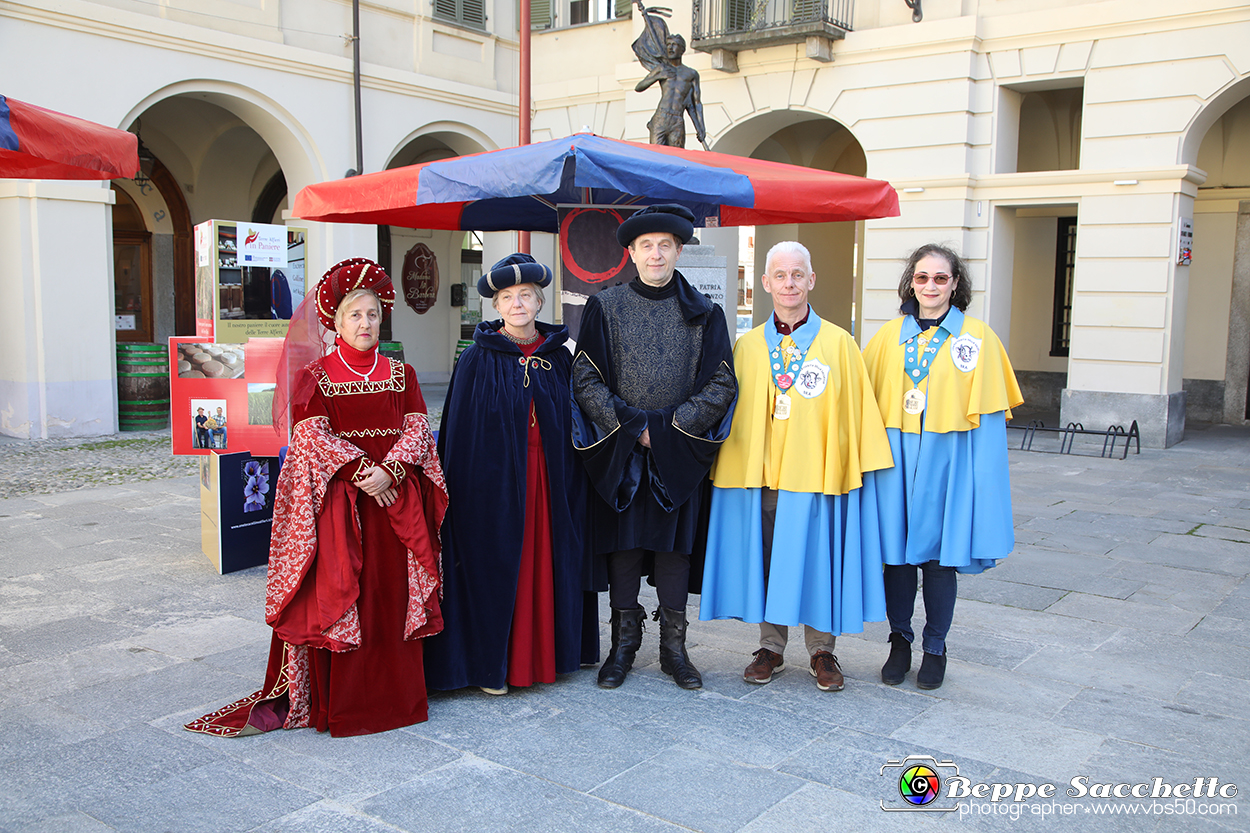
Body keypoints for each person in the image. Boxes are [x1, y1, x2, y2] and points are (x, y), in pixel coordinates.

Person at [185, 258, 448, 737]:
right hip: (343, 504)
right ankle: (346, 707)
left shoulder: (401, 373)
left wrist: (389, 471)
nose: (365, 324)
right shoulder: (317, 375)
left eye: (372, 314)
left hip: (393, 503)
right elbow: (311, 438)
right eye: (355, 316)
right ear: (337, 321)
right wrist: (362, 470)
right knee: (348, 594)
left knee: (390, 595)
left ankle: (399, 700)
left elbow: (417, 430)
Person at [701, 242, 893, 692]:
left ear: (811, 280)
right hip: (762, 474)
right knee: (769, 558)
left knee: (816, 558)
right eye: (780, 275)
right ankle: (770, 646)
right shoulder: (745, 346)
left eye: (797, 274)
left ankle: (822, 650)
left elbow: (857, 410)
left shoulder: (839, 343)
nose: (789, 283)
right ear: (765, 283)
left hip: (816, 474)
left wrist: (853, 467)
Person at [572, 204, 737, 690]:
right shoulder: (606, 305)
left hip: (678, 452)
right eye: (647, 245)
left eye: (665, 245)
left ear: (679, 251)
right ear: (631, 253)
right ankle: (622, 648)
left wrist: (664, 430)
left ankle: (674, 650)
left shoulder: (706, 313)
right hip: (622, 450)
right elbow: (585, 377)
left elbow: (721, 384)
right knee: (623, 548)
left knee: (672, 552)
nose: (656, 253)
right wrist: (632, 427)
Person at [424, 254, 596, 696]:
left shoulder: (561, 357)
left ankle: (548, 656)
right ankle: (494, 664)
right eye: (507, 297)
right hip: (493, 489)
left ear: (539, 302)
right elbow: (459, 436)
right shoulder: (477, 359)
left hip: (552, 481)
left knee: (548, 561)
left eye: (525, 296)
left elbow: (580, 421)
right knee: (500, 566)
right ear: (496, 306)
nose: (517, 304)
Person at [862, 244, 1023, 691]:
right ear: (910, 283)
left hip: (946, 464)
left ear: (956, 284)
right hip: (894, 463)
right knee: (895, 558)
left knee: (936, 560)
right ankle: (899, 641)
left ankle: (935, 646)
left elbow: (988, 425)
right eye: (922, 278)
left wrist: (979, 478)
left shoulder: (979, 339)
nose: (930, 286)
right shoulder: (885, 339)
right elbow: (862, 409)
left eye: (940, 278)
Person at [632, 0, 708, 150]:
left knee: (677, 159)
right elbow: (638, 87)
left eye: (674, 45)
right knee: (656, 158)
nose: (670, 48)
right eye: (668, 45)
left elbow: (695, 104)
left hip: (677, 121)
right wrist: (656, 77)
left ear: (682, 49)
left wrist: (701, 127)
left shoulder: (691, 74)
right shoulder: (661, 68)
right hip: (661, 118)